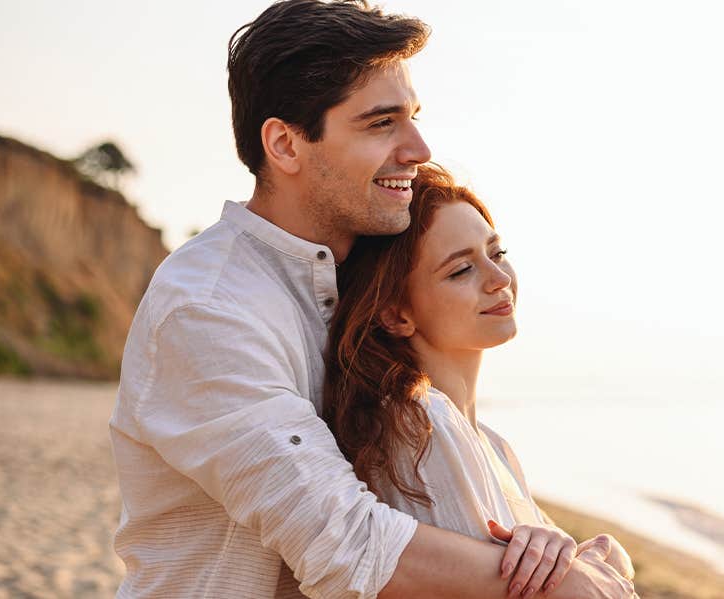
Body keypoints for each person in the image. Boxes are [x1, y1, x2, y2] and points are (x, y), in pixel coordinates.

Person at [108, 1, 636, 598]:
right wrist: (557, 582)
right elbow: (344, 541)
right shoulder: (210, 308)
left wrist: (540, 543)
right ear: (285, 144)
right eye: (381, 123)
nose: (418, 147)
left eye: (412, 117)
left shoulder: (362, 274)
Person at [322, 165, 635, 599]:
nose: (500, 279)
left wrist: (596, 555)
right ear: (396, 314)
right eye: (461, 270)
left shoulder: (487, 441)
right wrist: (595, 564)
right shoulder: (420, 422)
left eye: (497, 252)